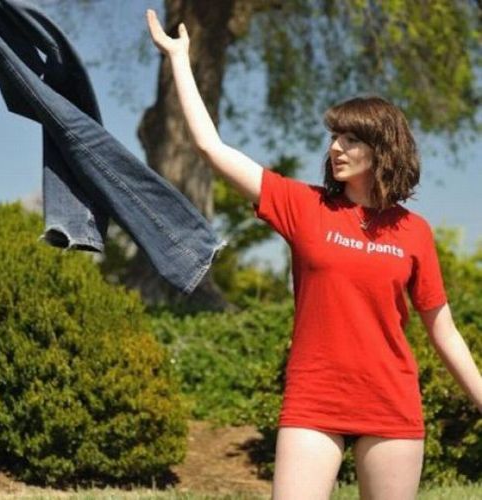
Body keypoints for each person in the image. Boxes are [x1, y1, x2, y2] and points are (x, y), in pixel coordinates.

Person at [145, 9, 482, 500]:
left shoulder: (414, 232)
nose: (336, 148)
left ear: (383, 149)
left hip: (391, 400)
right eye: (334, 137)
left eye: (351, 138)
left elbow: (442, 329)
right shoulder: (303, 206)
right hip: (315, 397)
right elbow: (210, 148)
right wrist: (179, 59)